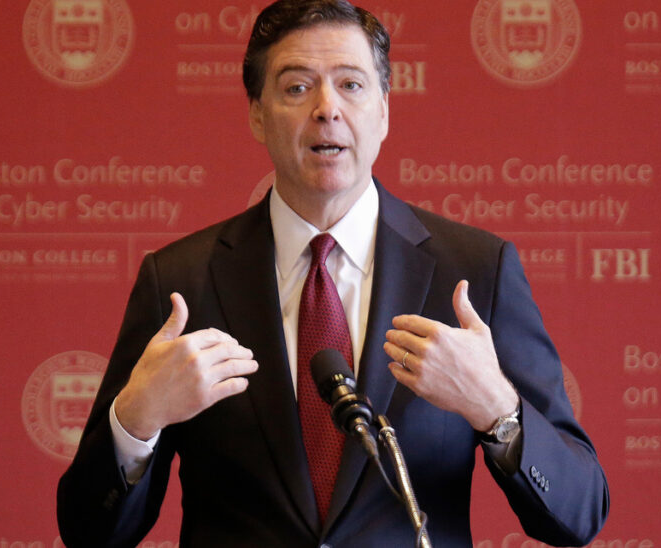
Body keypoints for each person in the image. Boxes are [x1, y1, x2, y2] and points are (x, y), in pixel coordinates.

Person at [56, 1, 609, 546]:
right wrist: (135, 420)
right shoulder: (181, 280)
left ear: (385, 110)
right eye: (297, 87)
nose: (327, 108)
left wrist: (498, 410)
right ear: (256, 112)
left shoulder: (474, 272)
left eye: (351, 84)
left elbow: (579, 511)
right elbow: (88, 530)